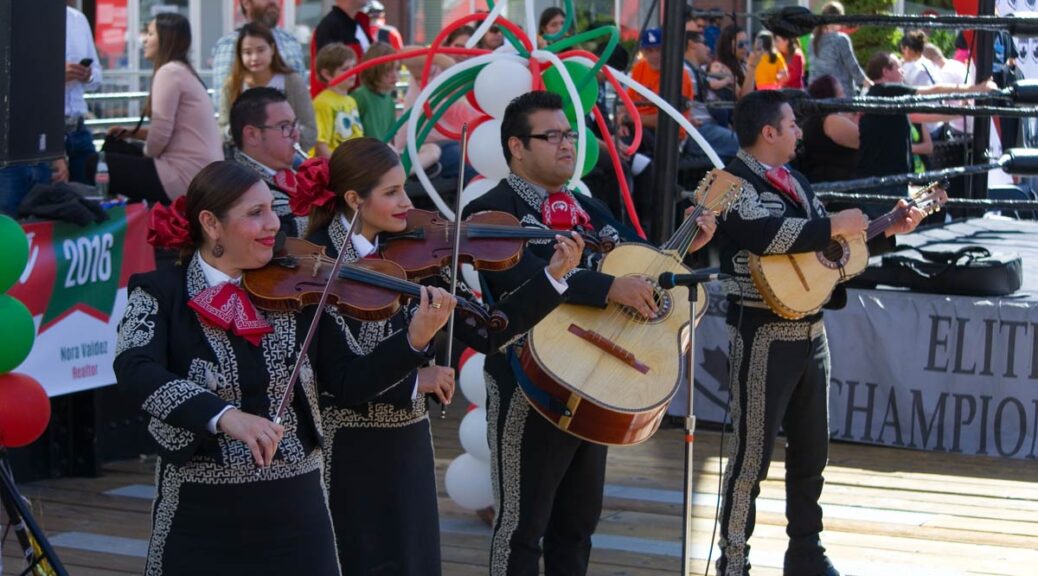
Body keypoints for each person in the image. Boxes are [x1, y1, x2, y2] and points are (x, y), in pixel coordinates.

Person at [113, 160, 442, 575]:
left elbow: (349, 382)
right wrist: (224, 417)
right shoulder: (159, 292)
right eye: (255, 214)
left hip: (297, 508)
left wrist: (412, 341)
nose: (275, 224)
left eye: (272, 209)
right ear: (211, 224)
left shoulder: (297, 289)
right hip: (199, 513)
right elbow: (134, 368)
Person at [292, 137, 584, 575]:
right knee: (358, 558)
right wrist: (414, 375)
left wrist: (551, 279)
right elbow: (338, 379)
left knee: (413, 560)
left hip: (408, 439)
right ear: (354, 198)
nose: (406, 203)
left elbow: (486, 329)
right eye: (390, 192)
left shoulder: (422, 254)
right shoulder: (315, 262)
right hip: (346, 448)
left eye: (404, 188)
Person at [462, 91, 716, 576]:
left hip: (595, 379)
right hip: (528, 383)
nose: (567, 145)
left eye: (570, 135)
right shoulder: (492, 209)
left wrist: (684, 246)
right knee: (520, 527)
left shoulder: (586, 206)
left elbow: (637, 267)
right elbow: (520, 276)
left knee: (577, 527)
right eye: (551, 136)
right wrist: (610, 286)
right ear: (516, 147)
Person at [713, 90, 925, 576]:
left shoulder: (798, 181)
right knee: (751, 459)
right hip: (761, 330)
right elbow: (766, 236)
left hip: (810, 331)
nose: (799, 132)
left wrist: (887, 228)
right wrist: (833, 223)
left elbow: (823, 258)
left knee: (812, 453)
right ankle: (734, 562)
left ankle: (805, 552)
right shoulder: (729, 184)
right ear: (768, 132)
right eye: (792, 125)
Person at [858, 51, 995, 215]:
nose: (902, 71)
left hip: (885, 180)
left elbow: (925, 115)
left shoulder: (882, 97)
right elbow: (932, 90)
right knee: (888, 230)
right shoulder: (886, 90)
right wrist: (977, 89)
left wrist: (964, 112)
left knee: (891, 229)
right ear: (885, 71)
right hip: (884, 183)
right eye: (898, 67)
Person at [105, 13, 222, 203]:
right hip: (201, 172)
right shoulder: (182, 71)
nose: (144, 40)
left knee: (94, 164)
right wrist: (132, 133)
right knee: (115, 143)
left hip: (183, 176)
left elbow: (160, 136)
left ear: (167, 39)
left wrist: (144, 156)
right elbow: (173, 132)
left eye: (150, 34)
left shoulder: (169, 72)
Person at [220, 23, 317, 152]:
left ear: (272, 49)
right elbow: (222, 128)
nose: (254, 57)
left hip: (287, 160)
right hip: (243, 163)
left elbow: (310, 129)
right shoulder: (232, 85)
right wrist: (237, 133)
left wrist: (286, 143)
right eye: (247, 52)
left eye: (260, 50)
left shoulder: (292, 82)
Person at [229, 87, 308, 237]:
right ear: (252, 135)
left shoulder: (298, 168)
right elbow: (281, 233)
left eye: (294, 124)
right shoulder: (237, 185)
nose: (296, 135)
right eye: (284, 126)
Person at [353, 43, 442, 174]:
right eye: (388, 70)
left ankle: (402, 173)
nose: (394, 75)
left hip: (385, 152)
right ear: (374, 69)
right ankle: (399, 174)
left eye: (397, 69)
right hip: (369, 156)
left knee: (433, 150)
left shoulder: (388, 100)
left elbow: (390, 137)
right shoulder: (360, 96)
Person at [210, 0, 305, 108]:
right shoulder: (230, 44)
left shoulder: (290, 41)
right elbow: (223, 105)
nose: (273, 2)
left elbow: (302, 102)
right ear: (246, 3)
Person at [64, 4, 103, 185]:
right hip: (45, 130)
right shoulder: (27, 18)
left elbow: (97, 76)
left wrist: (88, 75)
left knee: (88, 200)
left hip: (78, 127)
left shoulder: (78, 19)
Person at [798, 75, 859, 182]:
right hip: (842, 183)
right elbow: (866, 142)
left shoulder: (812, 120)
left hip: (825, 180)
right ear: (831, 97)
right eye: (841, 93)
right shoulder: (831, 120)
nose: (844, 98)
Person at [312, 43, 364, 159]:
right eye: (345, 69)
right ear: (326, 74)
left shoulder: (351, 101)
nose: (352, 73)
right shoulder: (323, 103)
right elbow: (320, 146)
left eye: (353, 67)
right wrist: (342, 167)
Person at [310, 0, 372, 97]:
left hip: (358, 101)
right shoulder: (330, 26)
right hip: (337, 104)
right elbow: (327, 70)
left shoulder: (361, 22)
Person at [808, 2, 870, 96]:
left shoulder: (812, 40)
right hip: (840, 94)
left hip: (817, 95)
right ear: (839, 18)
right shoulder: (840, 39)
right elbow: (853, 67)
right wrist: (868, 83)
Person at [716, 25, 754, 100]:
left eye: (746, 43)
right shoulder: (722, 68)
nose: (745, 48)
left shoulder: (743, 64)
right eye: (741, 44)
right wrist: (753, 66)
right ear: (728, 46)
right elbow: (744, 99)